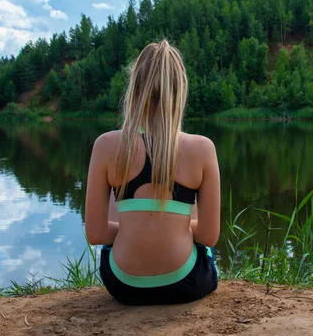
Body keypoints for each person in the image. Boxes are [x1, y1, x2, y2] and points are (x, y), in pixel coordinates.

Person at [85, 40, 220, 305]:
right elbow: (208, 236)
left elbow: (96, 233)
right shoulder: (202, 148)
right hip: (186, 283)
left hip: (124, 285)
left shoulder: (106, 145)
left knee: (117, 197)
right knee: (189, 204)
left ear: (134, 88)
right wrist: (173, 226)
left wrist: (135, 227)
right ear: (179, 89)